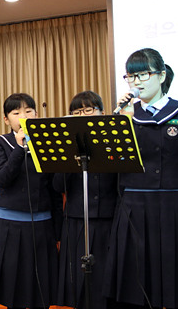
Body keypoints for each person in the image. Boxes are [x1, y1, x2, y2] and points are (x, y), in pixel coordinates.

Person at [103, 48, 178, 309]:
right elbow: (114, 165)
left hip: (174, 212)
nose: (136, 82)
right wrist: (122, 120)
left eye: (143, 74)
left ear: (161, 76)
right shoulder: (126, 116)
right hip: (134, 211)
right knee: (134, 288)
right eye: (131, 76)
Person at [0, 93, 62, 309]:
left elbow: (55, 191)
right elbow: (3, 179)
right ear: (6, 119)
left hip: (42, 225)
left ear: (36, 115)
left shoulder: (47, 143)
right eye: (16, 112)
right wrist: (19, 148)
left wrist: (58, 231)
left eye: (28, 111)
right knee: (13, 289)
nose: (23, 116)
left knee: (42, 291)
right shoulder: (0, 143)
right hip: (10, 226)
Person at [53, 91, 117, 309]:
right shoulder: (68, 145)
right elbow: (57, 186)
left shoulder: (113, 141)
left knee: (105, 280)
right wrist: (69, 156)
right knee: (78, 283)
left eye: (89, 110)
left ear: (102, 113)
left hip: (108, 220)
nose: (83, 115)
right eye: (77, 112)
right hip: (76, 220)